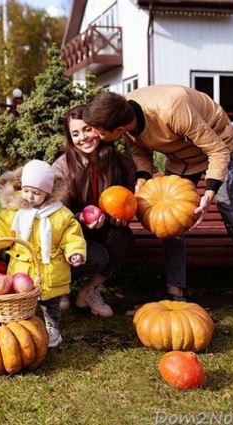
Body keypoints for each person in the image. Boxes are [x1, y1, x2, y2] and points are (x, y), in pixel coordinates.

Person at [82, 85, 233, 335]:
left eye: (98, 132)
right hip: (181, 158)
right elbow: (140, 151)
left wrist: (210, 191)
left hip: (219, 147)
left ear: (117, 130)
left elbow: (216, 151)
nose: (93, 136)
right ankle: (176, 292)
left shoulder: (173, 108)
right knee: (170, 222)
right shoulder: (122, 115)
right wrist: (143, 177)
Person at [0, 159, 86, 347]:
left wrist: (75, 252)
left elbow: (71, 236)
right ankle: (22, 330)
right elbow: (1, 231)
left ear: (48, 193)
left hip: (51, 269)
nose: (30, 197)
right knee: (22, 303)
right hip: (22, 269)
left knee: (51, 304)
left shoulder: (60, 214)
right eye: (26, 191)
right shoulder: (15, 212)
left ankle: (52, 328)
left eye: (36, 193)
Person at [52, 105, 136, 318]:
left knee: (123, 238)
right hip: (69, 234)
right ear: (70, 138)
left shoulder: (121, 163)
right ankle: (60, 287)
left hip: (102, 228)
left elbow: (126, 200)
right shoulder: (62, 167)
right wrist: (80, 218)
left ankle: (88, 290)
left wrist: (120, 218)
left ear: (99, 130)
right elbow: (57, 213)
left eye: (87, 129)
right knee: (97, 256)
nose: (83, 138)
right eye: (75, 133)